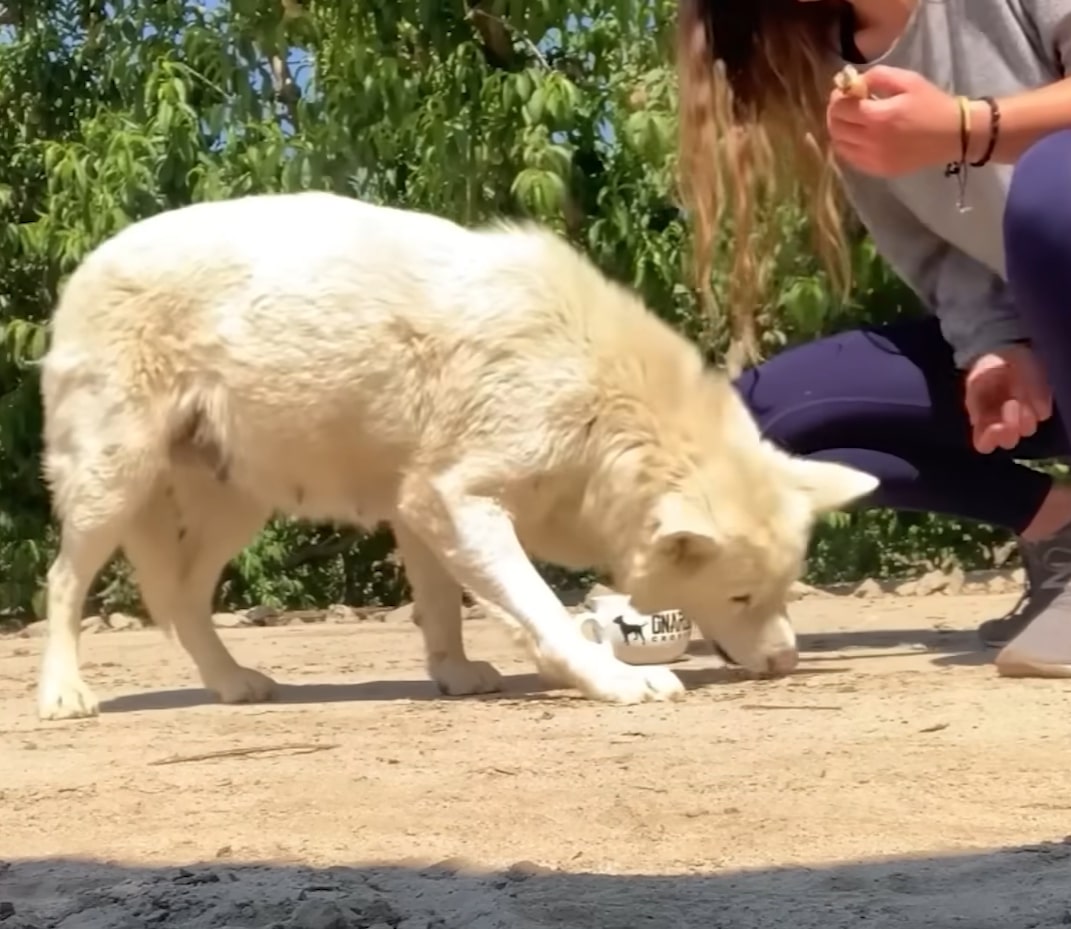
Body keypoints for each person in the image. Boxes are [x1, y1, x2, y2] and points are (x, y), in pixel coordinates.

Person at [674, 0, 1071, 677]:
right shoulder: (835, 68)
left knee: (1048, 184)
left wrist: (964, 127)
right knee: (745, 422)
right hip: (1046, 346)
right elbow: (934, 249)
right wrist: (993, 343)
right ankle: (1056, 526)